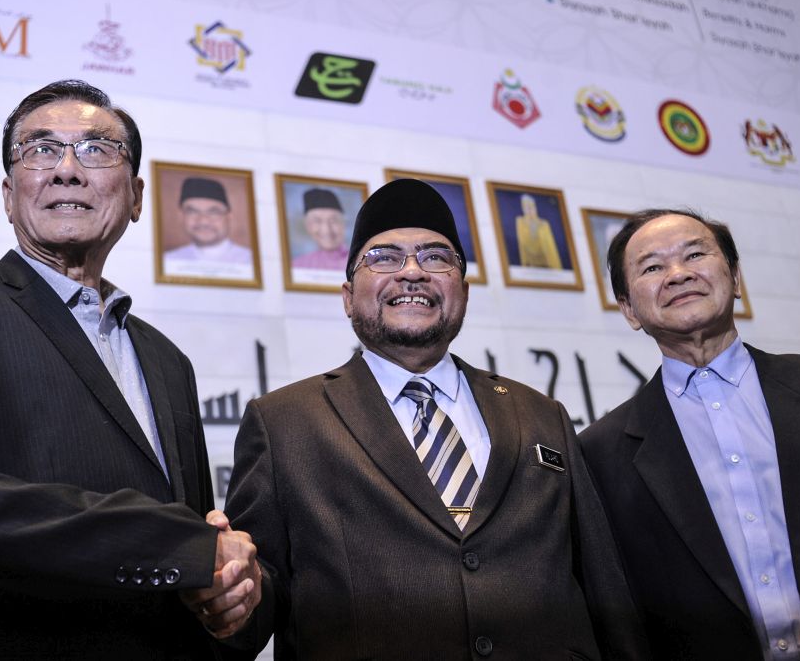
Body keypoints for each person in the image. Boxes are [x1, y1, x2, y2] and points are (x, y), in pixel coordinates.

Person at [0, 80, 260, 658]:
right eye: (40, 149)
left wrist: (229, 585)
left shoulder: (169, 361)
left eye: (96, 150)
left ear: (138, 196)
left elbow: (200, 538)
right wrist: (177, 547)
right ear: (8, 192)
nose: (67, 169)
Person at [220, 179, 647, 659]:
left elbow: (605, 591)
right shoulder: (283, 423)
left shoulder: (542, 415)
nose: (411, 274)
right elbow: (253, 597)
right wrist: (230, 592)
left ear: (462, 290)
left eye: (435, 257)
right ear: (347, 295)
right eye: (384, 258)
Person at [579, 208, 800, 660]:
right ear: (628, 309)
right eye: (652, 267)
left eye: (695, 254)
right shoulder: (600, 454)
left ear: (736, 278)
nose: (678, 274)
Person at [164, 177, 252, 267]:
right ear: (181, 216)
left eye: (214, 212)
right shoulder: (168, 261)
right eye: (192, 211)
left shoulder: (251, 261)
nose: (203, 221)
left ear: (229, 217)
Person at [291, 188, 348, 270]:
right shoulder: (298, 265)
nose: (326, 230)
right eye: (317, 221)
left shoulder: (359, 262)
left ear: (343, 224)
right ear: (308, 226)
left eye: (333, 221)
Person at [515, 192, 562, 269]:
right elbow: (523, 245)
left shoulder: (543, 224)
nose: (529, 210)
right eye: (526, 207)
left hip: (546, 265)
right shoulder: (520, 221)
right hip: (529, 265)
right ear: (523, 208)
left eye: (531, 207)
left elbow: (550, 249)